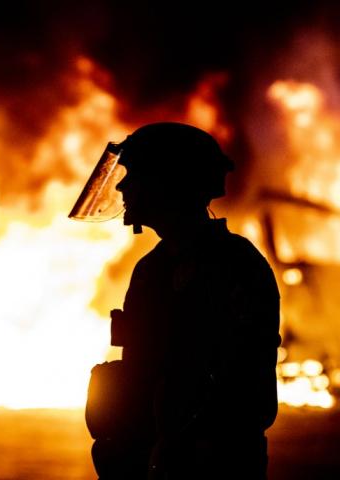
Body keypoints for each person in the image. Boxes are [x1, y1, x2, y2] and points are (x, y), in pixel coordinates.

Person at [70, 122, 281, 479]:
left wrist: (183, 443)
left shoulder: (234, 265)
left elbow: (240, 377)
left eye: (134, 174)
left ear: (168, 183)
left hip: (210, 462)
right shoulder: (153, 268)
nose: (122, 186)